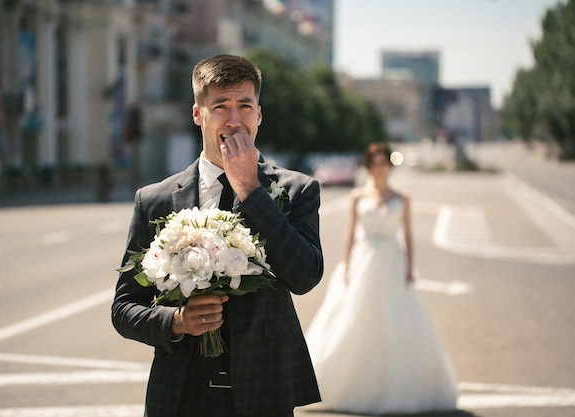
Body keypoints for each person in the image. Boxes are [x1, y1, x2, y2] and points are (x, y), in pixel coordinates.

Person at [111, 54, 323, 417]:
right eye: (221, 106)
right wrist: (176, 321)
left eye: (245, 105)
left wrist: (252, 191)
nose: (234, 119)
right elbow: (124, 308)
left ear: (259, 114)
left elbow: (304, 277)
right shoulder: (155, 199)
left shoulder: (296, 189)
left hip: (264, 390)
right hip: (180, 392)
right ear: (198, 114)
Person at [305, 142, 458, 415]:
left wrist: (410, 268)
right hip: (364, 260)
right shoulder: (357, 196)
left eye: (383, 162)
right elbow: (350, 234)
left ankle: (393, 387)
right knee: (357, 318)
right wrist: (347, 266)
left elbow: (408, 235)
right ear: (369, 166)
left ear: (389, 165)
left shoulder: (403, 197)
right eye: (374, 163)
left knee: (397, 321)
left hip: (392, 261)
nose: (379, 168)